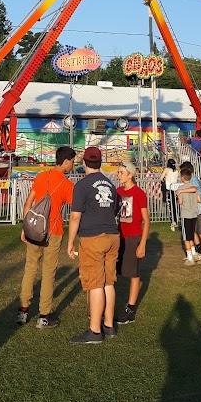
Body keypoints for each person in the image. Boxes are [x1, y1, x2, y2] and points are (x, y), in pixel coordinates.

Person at [16, 145, 76, 328]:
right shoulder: (67, 185)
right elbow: (76, 212)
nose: (73, 165)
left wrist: (26, 227)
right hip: (53, 232)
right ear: (65, 162)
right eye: (73, 162)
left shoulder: (41, 177)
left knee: (30, 269)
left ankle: (23, 311)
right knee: (49, 273)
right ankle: (44, 315)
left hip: (34, 230)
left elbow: (28, 202)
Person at [68, 147, 119, 344]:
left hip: (92, 237)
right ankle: (109, 325)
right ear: (100, 162)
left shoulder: (81, 186)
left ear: (83, 163)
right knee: (108, 281)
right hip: (113, 235)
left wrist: (71, 242)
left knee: (95, 283)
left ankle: (95, 331)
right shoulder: (110, 184)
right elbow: (113, 210)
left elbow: (75, 216)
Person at [115, 161, 150, 324]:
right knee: (116, 271)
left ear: (130, 174)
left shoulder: (139, 193)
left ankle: (130, 308)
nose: (118, 175)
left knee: (133, 274)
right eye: (118, 172)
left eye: (122, 172)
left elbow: (146, 220)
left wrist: (142, 243)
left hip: (133, 237)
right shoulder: (118, 191)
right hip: (119, 236)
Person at [177, 161, 201, 264]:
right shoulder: (192, 180)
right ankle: (198, 252)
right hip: (194, 210)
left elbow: (194, 190)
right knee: (193, 232)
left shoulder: (193, 180)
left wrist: (181, 191)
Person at [174, 166, 200, 265]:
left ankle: (190, 257)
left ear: (182, 177)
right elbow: (198, 199)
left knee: (186, 237)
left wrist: (178, 199)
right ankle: (194, 254)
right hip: (194, 213)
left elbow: (180, 202)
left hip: (186, 214)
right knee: (192, 234)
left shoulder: (180, 188)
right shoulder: (194, 187)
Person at [160, 158, 179, 231]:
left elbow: (161, 178)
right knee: (174, 206)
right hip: (175, 189)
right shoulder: (176, 171)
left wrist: (164, 181)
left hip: (169, 189)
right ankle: (176, 220)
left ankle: (173, 222)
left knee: (170, 206)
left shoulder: (167, 170)